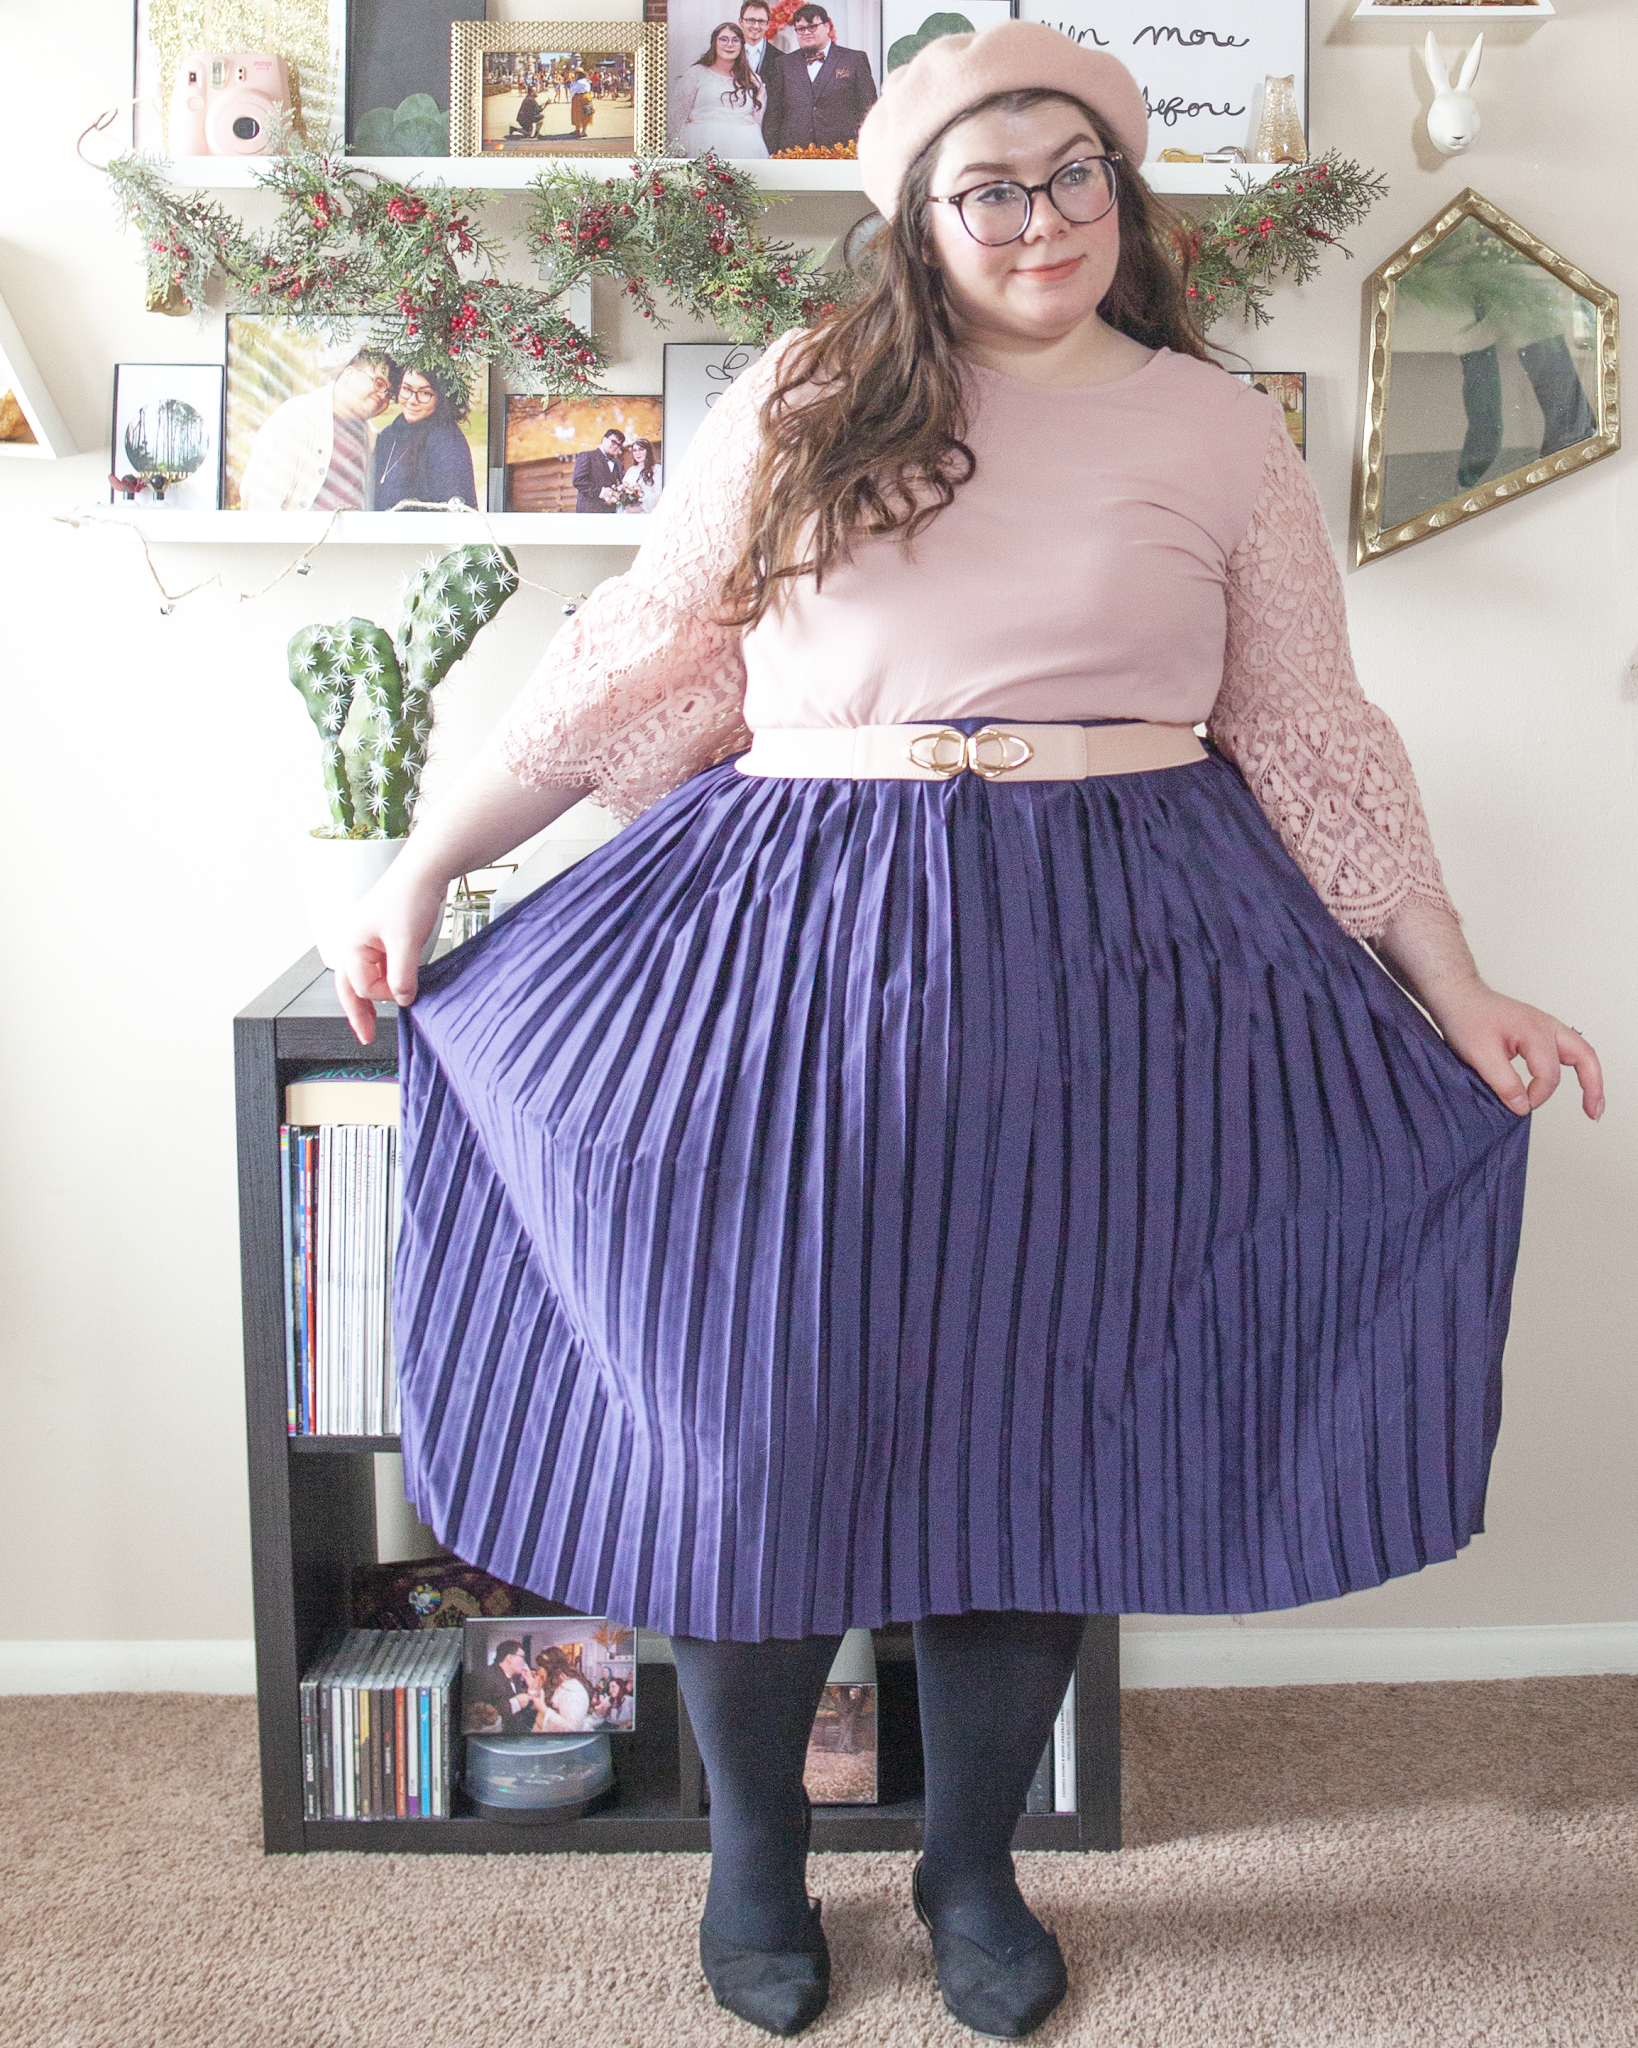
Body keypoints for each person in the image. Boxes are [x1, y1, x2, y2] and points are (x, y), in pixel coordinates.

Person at [333, 21, 1603, 2040]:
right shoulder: (811, 394)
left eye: (1075, 176)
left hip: (1127, 960)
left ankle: (969, 1864)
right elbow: (650, 661)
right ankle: (756, 1854)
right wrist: (425, 862)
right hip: (800, 942)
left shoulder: (1215, 429)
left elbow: (1307, 729)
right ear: (922, 218)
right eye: (992, 188)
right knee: (757, 1436)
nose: (1041, 220)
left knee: (1046, 1434)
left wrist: (1454, 986)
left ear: (1127, 196)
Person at [238, 349, 393, 511]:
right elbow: (260, 503)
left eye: (389, 394)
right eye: (379, 383)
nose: (383, 396)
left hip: (353, 536)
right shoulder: (296, 418)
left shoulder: (374, 439)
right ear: (349, 374)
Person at [770, 2, 876, 155]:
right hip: (793, 154)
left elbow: (869, 108)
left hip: (842, 153)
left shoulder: (854, 59)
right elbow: (774, 114)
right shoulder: (783, 64)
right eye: (800, 29)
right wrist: (776, 151)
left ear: (827, 27)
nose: (806, 32)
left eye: (812, 26)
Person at [373, 365, 478, 511]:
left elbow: (457, 512)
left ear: (441, 397)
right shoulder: (388, 435)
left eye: (425, 393)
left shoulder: (447, 441)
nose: (412, 400)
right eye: (406, 389)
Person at [669, 23, 769, 159]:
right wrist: (678, 152)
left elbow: (757, 120)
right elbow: (677, 117)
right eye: (723, 39)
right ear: (714, 43)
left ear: (741, 45)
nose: (730, 45)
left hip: (744, 149)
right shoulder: (696, 74)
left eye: (735, 40)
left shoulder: (752, 80)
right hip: (701, 146)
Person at [736, 0, 786, 150]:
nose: (756, 26)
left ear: (768, 24)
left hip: (767, 137)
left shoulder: (781, 60)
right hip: (732, 133)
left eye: (761, 21)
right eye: (750, 20)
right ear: (741, 22)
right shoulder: (727, 55)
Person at [466, 1641, 544, 1733]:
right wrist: (514, 1704)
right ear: (510, 1657)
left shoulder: (515, 1678)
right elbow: (476, 1713)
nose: (524, 1662)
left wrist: (529, 1680)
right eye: (522, 1657)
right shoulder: (484, 1676)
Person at [534, 1646, 594, 1731]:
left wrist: (543, 1709)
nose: (538, 1671)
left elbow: (572, 1729)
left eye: (540, 1667)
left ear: (550, 1669)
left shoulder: (572, 1691)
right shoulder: (558, 1685)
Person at [570, 426, 626, 512]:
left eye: (619, 445)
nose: (615, 446)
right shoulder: (587, 456)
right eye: (613, 442)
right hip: (589, 512)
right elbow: (578, 481)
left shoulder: (618, 464)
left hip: (610, 512)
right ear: (604, 439)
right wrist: (602, 492)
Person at [617, 435, 662, 512]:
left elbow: (660, 493)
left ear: (648, 451)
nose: (637, 453)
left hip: (646, 513)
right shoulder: (630, 470)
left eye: (641, 449)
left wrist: (642, 508)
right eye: (635, 450)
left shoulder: (656, 469)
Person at [569, 69, 594, 137]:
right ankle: (577, 129)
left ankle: (584, 131)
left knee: (584, 114)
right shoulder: (584, 81)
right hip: (581, 97)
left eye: (575, 74)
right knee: (577, 114)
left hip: (581, 97)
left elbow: (573, 89)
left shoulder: (581, 82)